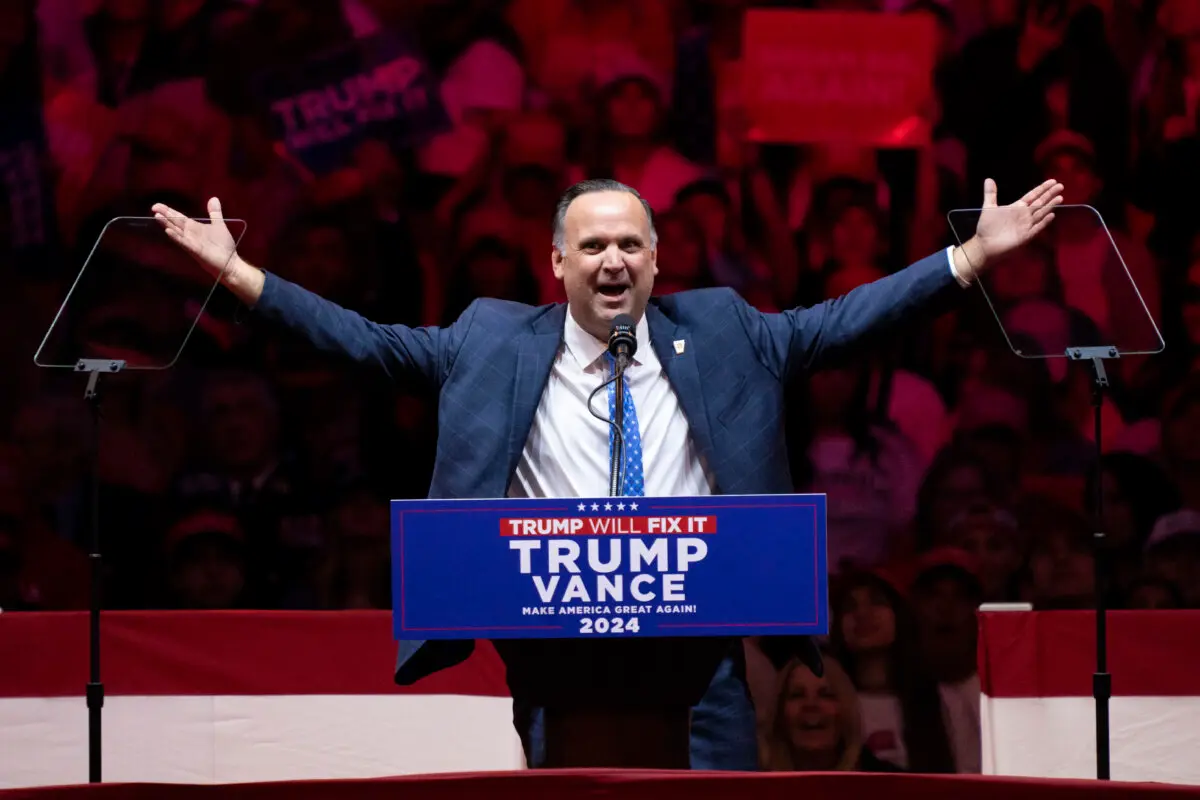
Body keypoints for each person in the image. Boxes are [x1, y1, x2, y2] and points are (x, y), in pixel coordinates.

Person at [151, 175, 1063, 770]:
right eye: (591, 247)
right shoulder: (490, 339)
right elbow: (367, 345)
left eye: (630, 244)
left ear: (657, 260)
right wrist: (240, 276)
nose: (613, 260)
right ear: (557, 265)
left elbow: (844, 320)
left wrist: (970, 258)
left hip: (697, 646)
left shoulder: (724, 331)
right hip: (555, 649)